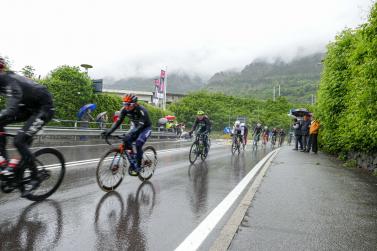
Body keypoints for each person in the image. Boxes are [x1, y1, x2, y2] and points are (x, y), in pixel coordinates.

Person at [0, 57, 55, 196]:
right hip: (28, 107)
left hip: (43, 108)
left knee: (19, 140)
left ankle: (35, 176)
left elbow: (12, 107)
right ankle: (5, 164)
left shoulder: (8, 80)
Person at [102, 94, 152, 176]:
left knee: (138, 143)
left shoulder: (142, 110)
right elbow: (118, 122)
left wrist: (130, 133)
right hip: (136, 127)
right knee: (127, 140)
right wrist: (109, 131)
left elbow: (140, 126)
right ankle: (133, 159)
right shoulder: (124, 110)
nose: (127, 107)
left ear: (135, 104)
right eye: (125, 104)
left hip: (145, 128)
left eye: (129, 104)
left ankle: (138, 166)